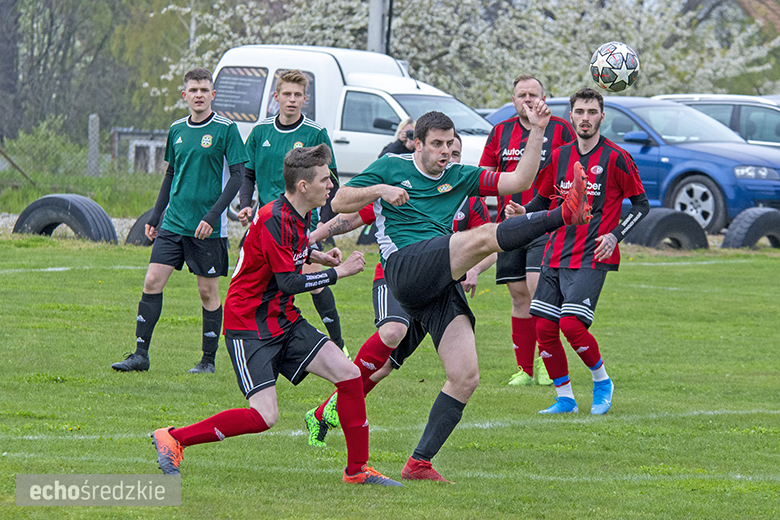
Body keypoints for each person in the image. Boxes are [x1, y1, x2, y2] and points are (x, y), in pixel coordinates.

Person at [330, 108, 591, 482]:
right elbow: (340, 201)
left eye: (449, 145)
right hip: (404, 266)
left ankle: (419, 463)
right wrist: (379, 190)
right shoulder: (391, 165)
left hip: (436, 280)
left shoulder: (457, 175)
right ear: (417, 144)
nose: (445, 152)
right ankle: (564, 215)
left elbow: (519, 178)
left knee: (465, 376)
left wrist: (536, 130)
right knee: (486, 236)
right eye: (436, 145)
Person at [150, 144, 401, 486]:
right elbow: (289, 281)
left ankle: (357, 471)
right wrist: (338, 274)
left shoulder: (298, 213)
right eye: (326, 179)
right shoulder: (273, 217)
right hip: (248, 325)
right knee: (265, 416)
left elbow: (289, 252)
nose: (332, 186)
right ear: (303, 186)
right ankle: (174, 437)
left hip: (283, 319)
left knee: (349, 375)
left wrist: (319, 255)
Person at [303, 133, 495, 449]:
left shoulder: (469, 197)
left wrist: (474, 269)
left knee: (384, 368)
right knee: (392, 330)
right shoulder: (410, 188)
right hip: (398, 279)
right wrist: (312, 237)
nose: (450, 157)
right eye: (444, 149)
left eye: (456, 152)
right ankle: (344, 389)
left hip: (438, 294)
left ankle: (322, 413)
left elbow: (489, 245)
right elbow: (352, 217)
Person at [111, 68, 247, 374]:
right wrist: (156, 215)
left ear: (213, 95)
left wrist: (213, 216)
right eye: (193, 90)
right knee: (152, 281)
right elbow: (171, 174)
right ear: (184, 95)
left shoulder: (226, 129)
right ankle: (140, 355)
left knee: (207, 292)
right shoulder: (176, 130)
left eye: (204, 90)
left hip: (207, 228)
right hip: (173, 222)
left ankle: (208, 361)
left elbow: (238, 176)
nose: (199, 95)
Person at [524, 87, 649, 415]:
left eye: (592, 112)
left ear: (602, 118)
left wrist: (616, 234)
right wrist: (521, 213)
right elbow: (541, 199)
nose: (585, 118)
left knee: (571, 325)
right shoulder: (560, 156)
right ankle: (565, 398)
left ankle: (602, 381)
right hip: (555, 252)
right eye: (580, 112)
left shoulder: (616, 158)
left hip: (593, 255)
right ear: (571, 116)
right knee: (544, 327)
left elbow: (641, 204)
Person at [236, 70, 348, 358]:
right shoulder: (261, 132)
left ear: (305, 99)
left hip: (299, 224)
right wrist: (245, 203)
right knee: (261, 281)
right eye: (287, 94)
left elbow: (329, 180)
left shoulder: (314, 133)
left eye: (298, 95)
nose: (292, 99)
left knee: (311, 280)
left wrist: (325, 220)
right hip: (266, 223)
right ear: (276, 97)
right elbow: (248, 174)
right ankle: (264, 337)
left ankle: (338, 344)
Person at [480, 74, 575, 387]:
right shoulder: (500, 131)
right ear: (513, 100)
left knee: (538, 292)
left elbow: (574, 169)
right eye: (522, 95)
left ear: (544, 98)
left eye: (534, 94)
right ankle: (525, 370)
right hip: (510, 225)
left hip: (544, 224)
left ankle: (549, 363)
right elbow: (485, 174)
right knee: (519, 296)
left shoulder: (560, 129)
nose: (528, 100)